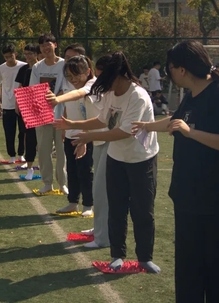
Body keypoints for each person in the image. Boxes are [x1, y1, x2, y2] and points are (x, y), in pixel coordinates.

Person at [133, 40, 219, 301]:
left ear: (181, 69)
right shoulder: (193, 95)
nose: (169, 73)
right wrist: (146, 126)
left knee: (216, 273)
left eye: (170, 68)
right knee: (188, 271)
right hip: (189, 200)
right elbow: (176, 123)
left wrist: (191, 133)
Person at [54, 51, 160, 273]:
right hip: (116, 159)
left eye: (105, 77)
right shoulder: (111, 93)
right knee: (116, 208)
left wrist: (89, 137)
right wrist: (72, 124)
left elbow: (124, 131)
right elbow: (103, 120)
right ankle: (117, 255)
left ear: (118, 75)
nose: (102, 83)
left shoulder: (137, 96)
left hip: (141, 160)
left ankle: (144, 258)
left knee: (142, 211)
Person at [47, 56, 106, 220]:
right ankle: (73, 202)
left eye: (76, 75)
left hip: (89, 136)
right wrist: (65, 128)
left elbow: (81, 98)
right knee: (72, 170)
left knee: (85, 171)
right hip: (72, 133)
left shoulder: (93, 85)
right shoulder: (70, 84)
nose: (73, 80)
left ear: (87, 71)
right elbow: (70, 104)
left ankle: (88, 205)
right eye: (69, 76)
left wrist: (57, 99)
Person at [30, 34, 66, 194]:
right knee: (44, 150)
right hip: (42, 115)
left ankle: (63, 183)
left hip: (62, 114)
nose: (45, 48)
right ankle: (47, 183)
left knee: (62, 150)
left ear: (55, 45)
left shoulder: (64, 65)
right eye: (42, 45)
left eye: (48, 44)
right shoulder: (37, 67)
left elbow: (68, 87)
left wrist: (57, 98)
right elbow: (33, 89)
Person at [0, 43, 27, 164]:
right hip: (7, 104)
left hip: (22, 104)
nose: (9, 59)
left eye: (11, 56)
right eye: (6, 57)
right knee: (9, 131)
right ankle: (12, 155)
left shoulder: (23, 66)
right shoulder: (1, 68)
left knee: (23, 131)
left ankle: (21, 154)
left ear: (16, 54)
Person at [15, 43, 40, 179]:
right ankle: (29, 167)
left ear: (36, 54)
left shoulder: (41, 67)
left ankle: (42, 163)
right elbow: (20, 87)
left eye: (30, 54)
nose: (28, 56)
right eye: (26, 54)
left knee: (42, 137)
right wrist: (18, 103)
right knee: (28, 135)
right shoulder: (24, 69)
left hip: (41, 106)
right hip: (27, 105)